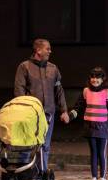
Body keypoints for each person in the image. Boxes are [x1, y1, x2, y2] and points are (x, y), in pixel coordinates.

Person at [14, 38, 70, 172]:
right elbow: (19, 89)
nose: (50, 51)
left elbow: (59, 90)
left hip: (48, 113)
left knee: (44, 145)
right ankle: (22, 174)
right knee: (27, 143)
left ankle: (41, 173)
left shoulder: (53, 68)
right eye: (47, 48)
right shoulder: (24, 67)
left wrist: (64, 110)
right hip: (30, 114)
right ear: (38, 50)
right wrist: (22, 109)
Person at [74, 67, 108, 180]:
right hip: (90, 128)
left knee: (102, 153)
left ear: (102, 79)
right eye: (93, 77)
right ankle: (94, 178)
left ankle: (103, 179)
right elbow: (78, 106)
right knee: (93, 154)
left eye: (98, 77)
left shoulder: (106, 93)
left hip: (103, 128)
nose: (95, 80)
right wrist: (70, 115)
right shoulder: (86, 92)